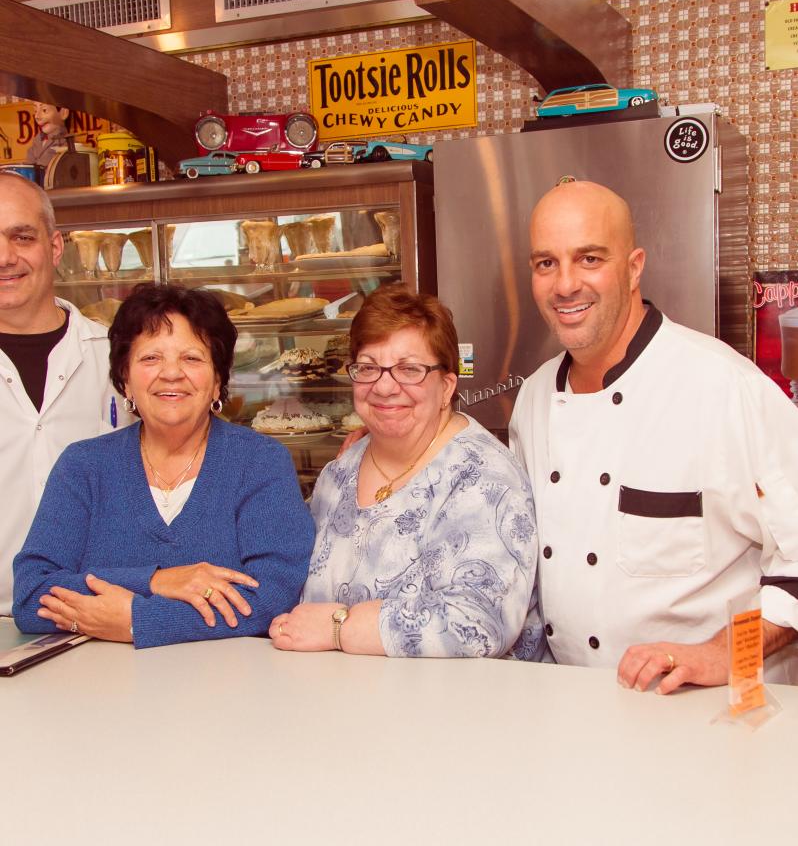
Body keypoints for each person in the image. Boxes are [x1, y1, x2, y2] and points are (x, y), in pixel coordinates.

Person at [509, 179, 798, 694]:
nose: (565, 285)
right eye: (545, 263)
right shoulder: (532, 400)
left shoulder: (724, 387)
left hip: (711, 711)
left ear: (634, 266)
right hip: (571, 706)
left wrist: (724, 653)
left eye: (590, 259)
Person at [13, 284, 315, 648]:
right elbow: (31, 596)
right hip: (98, 693)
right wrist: (158, 581)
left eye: (192, 358)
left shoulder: (259, 462)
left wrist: (137, 620)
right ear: (125, 379)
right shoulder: (82, 466)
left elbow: (273, 597)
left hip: (230, 692)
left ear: (218, 380)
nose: (171, 374)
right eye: (150, 358)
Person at [270, 284, 543, 659]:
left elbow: (478, 626)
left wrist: (339, 626)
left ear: (447, 386)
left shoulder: (484, 478)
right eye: (368, 368)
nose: (384, 386)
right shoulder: (339, 473)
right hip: (341, 704)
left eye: (409, 370)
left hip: (457, 710)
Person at [0, 171, 128, 618]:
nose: (4, 257)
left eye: (22, 237)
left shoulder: (118, 358)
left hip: (101, 614)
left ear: (54, 247)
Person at [26, 103, 70, 168]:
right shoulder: (37, 140)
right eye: (35, 111)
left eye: (44, 110)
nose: (37, 116)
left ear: (63, 113)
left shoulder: (65, 141)